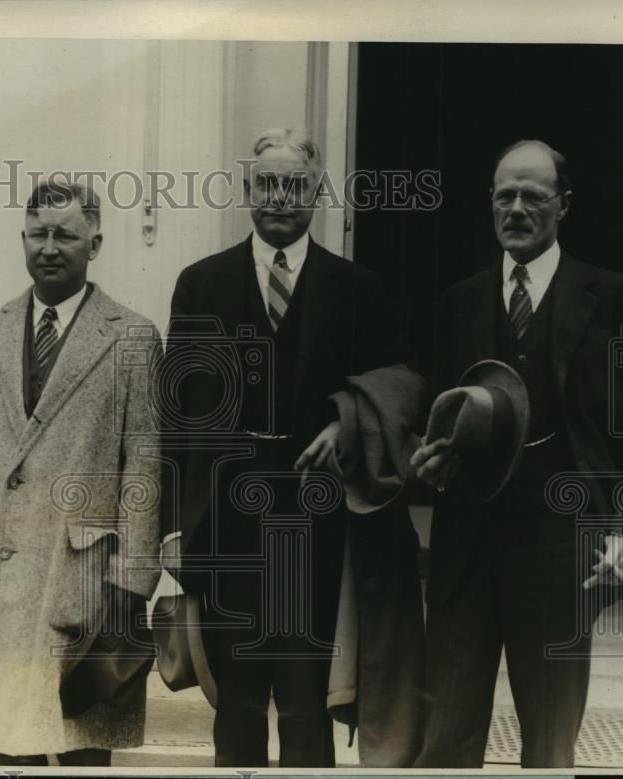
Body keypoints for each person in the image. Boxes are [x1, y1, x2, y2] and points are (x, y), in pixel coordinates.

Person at [164, 128, 426, 767]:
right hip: (228, 521)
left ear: (318, 194)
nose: (280, 197)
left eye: (296, 185)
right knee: (237, 702)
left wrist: (348, 422)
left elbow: (405, 383)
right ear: (248, 190)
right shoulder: (201, 284)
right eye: (267, 183)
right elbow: (175, 416)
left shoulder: (356, 288)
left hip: (321, 525)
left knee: (308, 704)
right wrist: (173, 527)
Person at [411, 139, 623, 767]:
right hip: (465, 545)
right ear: (491, 204)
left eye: (534, 195)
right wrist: (425, 459)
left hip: (562, 547)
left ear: (565, 205)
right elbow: (430, 420)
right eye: (505, 195)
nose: (518, 208)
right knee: (444, 737)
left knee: (550, 745)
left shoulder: (614, 297)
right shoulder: (458, 303)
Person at [0, 181, 162, 767]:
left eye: (66, 235)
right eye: (39, 233)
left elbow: (144, 463)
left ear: (94, 243)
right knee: (7, 747)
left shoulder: (131, 335)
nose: (50, 247)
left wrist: (133, 582)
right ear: (22, 239)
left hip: (83, 576)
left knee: (81, 743)